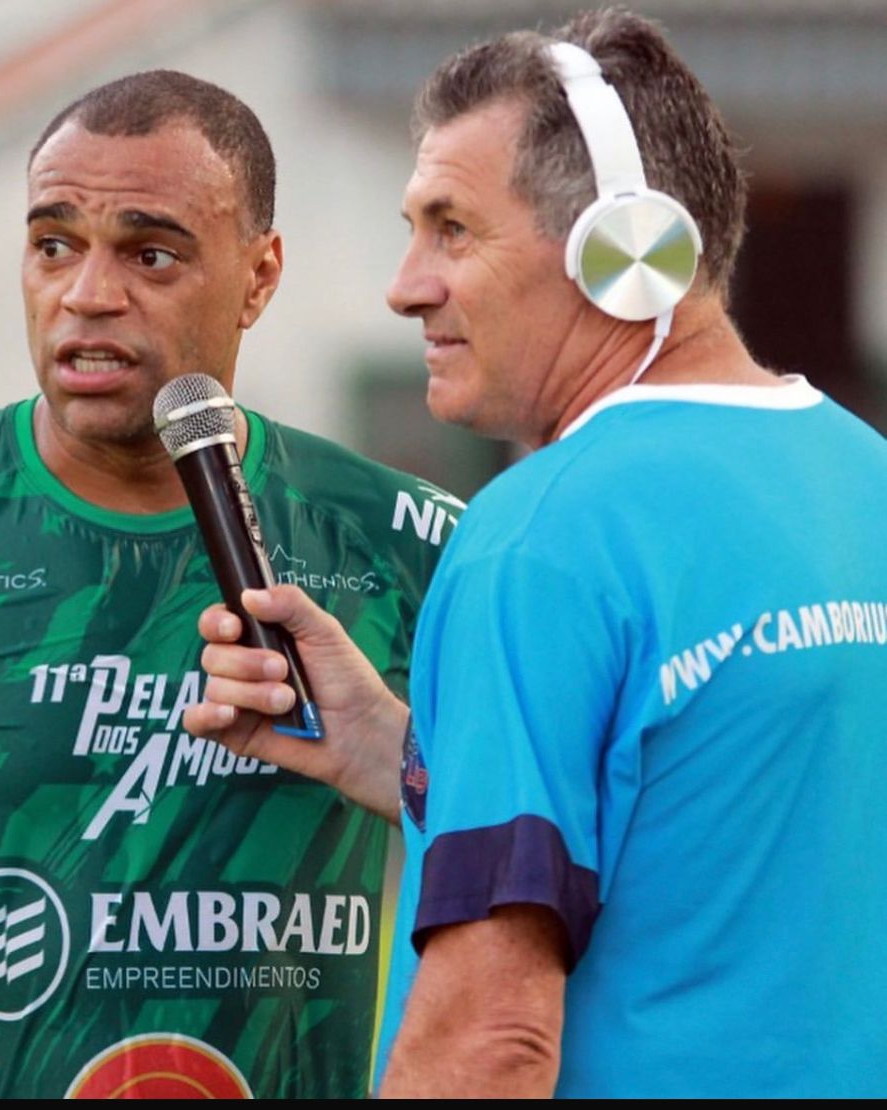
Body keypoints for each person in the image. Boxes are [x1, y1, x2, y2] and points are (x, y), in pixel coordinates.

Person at [185, 7, 887, 1099]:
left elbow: (488, 1044)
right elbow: (724, 825)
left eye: (451, 229)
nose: (405, 283)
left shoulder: (541, 535)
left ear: (625, 252)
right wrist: (404, 749)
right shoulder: (866, 481)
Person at [0, 71, 460, 1098]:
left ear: (259, 274)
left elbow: (603, 850)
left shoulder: (405, 546)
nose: (88, 294)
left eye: (150, 254)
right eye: (53, 244)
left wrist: (406, 758)